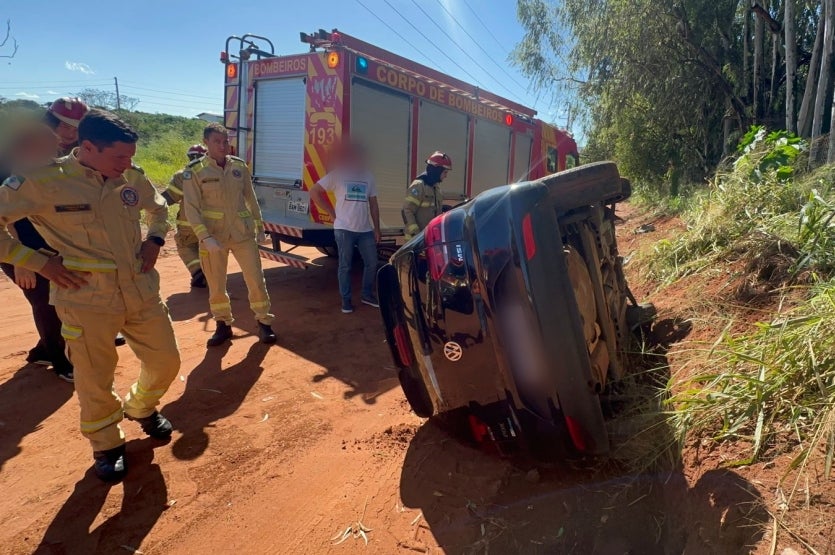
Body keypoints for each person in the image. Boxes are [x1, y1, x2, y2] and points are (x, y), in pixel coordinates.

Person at [0, 109, 181, 482]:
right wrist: (38, 263)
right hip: (86, 298)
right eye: (119, 156)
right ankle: (107, 443)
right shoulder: (43, 181)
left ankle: (141, 406)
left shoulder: (131, 176)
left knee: (166, 361)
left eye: (130, 156)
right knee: (95, 377)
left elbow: (158, 207)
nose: (126, 163)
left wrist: (155, 239)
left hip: (140, 290)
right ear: (87, 147)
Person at [183, 123, 277, 347]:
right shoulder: (195, 171)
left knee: (256, 280)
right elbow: (191, 208)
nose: (223, 146)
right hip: (213, 237)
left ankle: (264, 322)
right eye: (217, 141)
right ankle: (222, 325)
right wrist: (204, 237)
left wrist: (260, 227)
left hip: (242, 233)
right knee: (216, 284)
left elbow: (250, 199)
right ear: (206, 142)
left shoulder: (238, 166)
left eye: (225, 141)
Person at [44, 96, 127, 347]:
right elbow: (15, 210)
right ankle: (60, 356)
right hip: (31, 237)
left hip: (71, 236)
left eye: (76, 128)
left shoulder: (86, 153)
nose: (70, 133)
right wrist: (32, 261)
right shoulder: (33, 152)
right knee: (43, 298)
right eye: (64, 126)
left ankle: (94, 334)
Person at [0, 120, 74, 381]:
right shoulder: (6, 173)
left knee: (62, 299)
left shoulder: (50, 172)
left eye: (53, 150)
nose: (51, 156)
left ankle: (42, 351)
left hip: (50, 249)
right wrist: (21, 261)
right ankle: (61, 361)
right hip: (18, 252)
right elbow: (7, 222)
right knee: (45, 303)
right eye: (43, 149)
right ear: (23, 148)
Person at [309, 142, 381, 314]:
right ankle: (346, 301)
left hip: (365, 230)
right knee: (345, 266)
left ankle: (366, 295)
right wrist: (332, 213)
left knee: (372, 263)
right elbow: (314, 191)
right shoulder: (339, 174)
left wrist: (376, 228)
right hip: (344, 229)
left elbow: (373, 205)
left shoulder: (368, 176)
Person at [163, 144, 208, 288]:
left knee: (185, 245)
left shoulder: (182, 175)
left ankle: (198, 271)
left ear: (189, 157)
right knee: (208, 247)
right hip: (211, 223)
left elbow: (169, 198)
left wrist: (151, 203)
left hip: (189, 225)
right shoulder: (215, 174)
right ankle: (211, 273)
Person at [402, 151, 453, 239]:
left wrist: (442, 208)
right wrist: (416, 236)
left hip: (428, 238)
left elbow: (430, 209)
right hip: (415, 241)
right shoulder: (418, 186)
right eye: (445, 172)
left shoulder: (435, 187)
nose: (446, 176)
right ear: (437, 170)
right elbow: (407, 211)